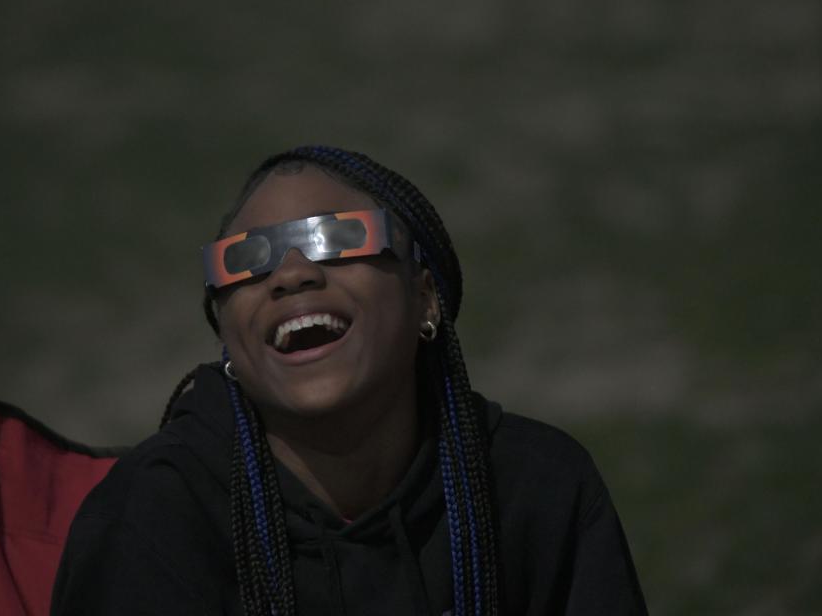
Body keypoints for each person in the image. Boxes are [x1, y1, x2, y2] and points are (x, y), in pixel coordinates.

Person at [50, 146, 648, 615]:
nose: (290, 274)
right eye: (244, 260)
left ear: (425, 298)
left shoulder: (535, 488)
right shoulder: (150, 520)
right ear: (226, 336)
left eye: (335, 239)